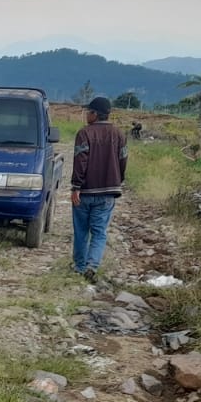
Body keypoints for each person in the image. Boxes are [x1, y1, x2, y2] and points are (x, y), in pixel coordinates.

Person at [69, 95, 127, 279]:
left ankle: (79, 266)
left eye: (89, 112)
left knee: (81, 231)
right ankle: (92, 265)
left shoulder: (84, 133)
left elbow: (80, 160)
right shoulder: (119, 134)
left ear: (95, 114)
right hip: (108, 192)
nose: (87, 115)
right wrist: (118, 181)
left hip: (85, 191)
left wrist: (75, 186)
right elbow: (123, 159)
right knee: (99, 232)